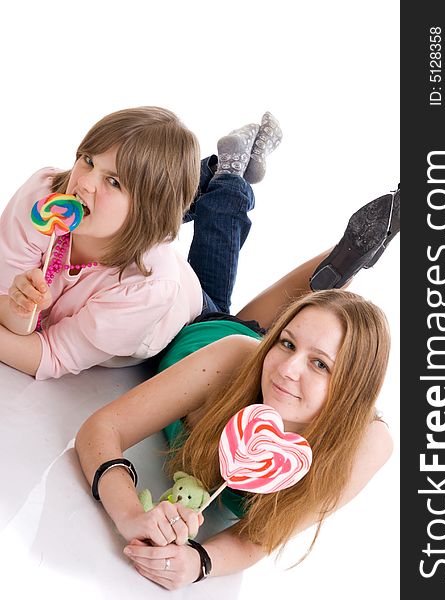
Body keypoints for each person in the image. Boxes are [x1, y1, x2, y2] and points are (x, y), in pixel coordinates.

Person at [75, 183, 400, 590]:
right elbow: (101, 429)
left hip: (250, 342)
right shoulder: (237, 358)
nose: (286, 369)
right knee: (221, 297)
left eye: (320, 364)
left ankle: (337, 259)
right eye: (286, 343)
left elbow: (263, 534)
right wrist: (129, 514)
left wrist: (198, 561)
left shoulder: (365, 447)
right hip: (195, 330)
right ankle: (228, 177)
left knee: (256, 319)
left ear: (352, 389)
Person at [0, 107, 282, 379]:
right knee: (146, 193)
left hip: (187, 313)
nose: (84, 183)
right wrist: (19, 309)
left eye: (113, 181)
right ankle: (215, 171)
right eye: (88, 159)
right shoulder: (41, 198)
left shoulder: (149, 288)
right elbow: (7, 305)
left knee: (220, 310)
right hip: (142, 237)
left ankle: (230, 174)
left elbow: (51, 354)